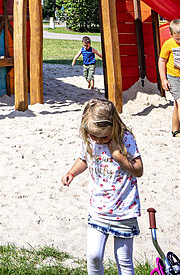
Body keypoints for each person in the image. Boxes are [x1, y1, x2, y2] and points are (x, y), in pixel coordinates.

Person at [61, 98, 144, 275]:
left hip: (124, 211)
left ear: (113, 125)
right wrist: (72, 172)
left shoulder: (125, 139)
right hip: (98, 209)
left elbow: (138, 170)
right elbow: (84, 159)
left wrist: (118, 155)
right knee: (93, 256)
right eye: (94, 136)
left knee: (124, 259)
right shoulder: (89, 140)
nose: (98, 140)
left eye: (104, 136)